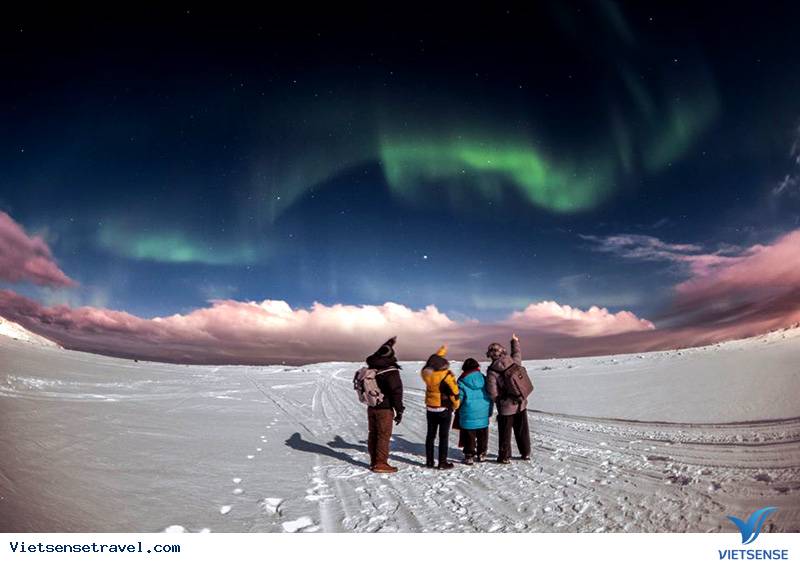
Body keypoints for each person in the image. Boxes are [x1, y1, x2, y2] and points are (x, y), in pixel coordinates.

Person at [486, 334, 531, 464]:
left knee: (505, 433)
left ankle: (505, 456)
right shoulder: (513, 362)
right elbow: (517, 352)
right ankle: (525, 453)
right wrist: (514, 341)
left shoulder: (492, 372)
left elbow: (492, 391)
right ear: (503, 351)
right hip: (521, 403)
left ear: (490, 355)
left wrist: (499, 401)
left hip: (506, 407)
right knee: (522, 430)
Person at [365, 337, 404, 473]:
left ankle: (374, 461)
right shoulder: (390, 371)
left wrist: (389, 343)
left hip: (372, 406)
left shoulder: (373, 367)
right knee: (383, 435)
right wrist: (399, 411)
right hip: (384, 408)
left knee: (373, 433)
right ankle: (381, 463)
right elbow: (396, 392)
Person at [421, 345, 460, 469]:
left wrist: (442, 350)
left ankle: (429, 462)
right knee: (443, 437)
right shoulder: (447, 375)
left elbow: (434, 359)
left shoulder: (426, 373)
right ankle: (442, 462)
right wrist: (456, 405)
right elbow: (454, 392)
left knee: (430, 436)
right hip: (443, 408)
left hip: (430, 407)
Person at [456, 358, 492, 465]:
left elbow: (460, 399)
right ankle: (482, 454)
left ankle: (469, 455)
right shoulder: (484, 379)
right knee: (482, 434)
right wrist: (489, 411)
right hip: (483, 411)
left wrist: (456, 408)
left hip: (468, 412)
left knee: (469, 435)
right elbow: (490, 396)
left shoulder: (462, 381)